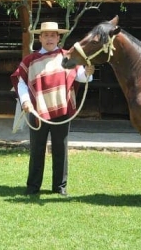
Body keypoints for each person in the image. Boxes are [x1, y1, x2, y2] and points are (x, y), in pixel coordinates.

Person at [11, 21, 94, 197]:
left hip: (61, 111)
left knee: (60, 149)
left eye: (53, 35)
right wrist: (25, 102)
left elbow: (80, 77)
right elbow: (21, 83)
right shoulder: (30, 60)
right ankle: (33, 186)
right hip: (37, 111)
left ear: (58, 37)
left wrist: (87, 72)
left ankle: (60, 187)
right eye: (46, 35)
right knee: (36, 149)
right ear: (40, 37)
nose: (49, 38)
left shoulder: (67, 57)